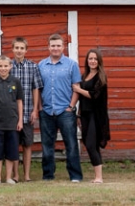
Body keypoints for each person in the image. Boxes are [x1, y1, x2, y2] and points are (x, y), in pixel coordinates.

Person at [39, 33, 83, 183]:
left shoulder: (72, 65)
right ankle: (48, 175)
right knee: (47, 146)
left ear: (63, 47)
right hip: (46, 111)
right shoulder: (41, 65)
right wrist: (39, 107)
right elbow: (38, 89)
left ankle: (75, 176)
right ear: (48, 47)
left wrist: (71, 107)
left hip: (65, 111)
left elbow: (76, 88)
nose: (55, 48)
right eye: (53, 46)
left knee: (71, 144)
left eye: (58, 45)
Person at [72, 48, 111, 184]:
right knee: (90, 144)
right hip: (85, 115)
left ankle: (99, 177)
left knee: (91, 144)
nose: (92, 61)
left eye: (95, 59)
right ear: (87, 61)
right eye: (90, 59)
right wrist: (78, 115)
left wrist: (78, 89)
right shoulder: (84, 76)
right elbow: (83, 100)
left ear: (99, 61)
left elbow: (94, 96)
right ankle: (98, 176)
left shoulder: (101, 77)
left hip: (96, 115)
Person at [0, 55, 23, 185]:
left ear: (10, 67)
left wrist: (20, 120)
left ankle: (8, 177)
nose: (3, 68)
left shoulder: (15, 81)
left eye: (6, 66)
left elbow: (19, 102)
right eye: (0, 66)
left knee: (11, 151)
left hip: (12, 122)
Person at [10, 37, 43, 183]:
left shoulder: (33, 67)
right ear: (12, 49)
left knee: (27, 144)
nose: (19, 51)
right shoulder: (7, 66)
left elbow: (36, 89)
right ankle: (16, 175)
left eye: (22, 48)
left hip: (28, 110)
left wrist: (35, 110)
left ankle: (27, 175)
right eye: (16, 48)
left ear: (26, 50)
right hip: (12, 113)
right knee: (14, 144)